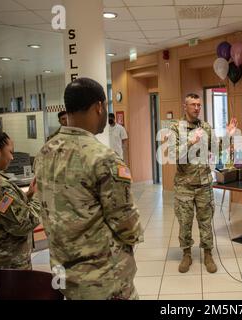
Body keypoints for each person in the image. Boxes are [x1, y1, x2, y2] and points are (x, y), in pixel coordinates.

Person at [34, 78, 143, 300]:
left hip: (63, 272)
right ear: (99, 107)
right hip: (103, 280)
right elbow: (126, 224)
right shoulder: (102, 157)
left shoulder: (45, 152)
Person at [169, 93, 237, 274]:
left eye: (199, 105)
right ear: (185, 106)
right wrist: (191, 141)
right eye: (193, 105)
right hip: (184, 184)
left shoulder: (206, 127)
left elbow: (216, 150)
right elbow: (173, 154)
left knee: (206, 221)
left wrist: (228, 135)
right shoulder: (176, 128)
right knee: (184, 222)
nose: (197, 108)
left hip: (204, 183)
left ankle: (208, 254)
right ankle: (186, 254)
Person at [0, 131, 40, 300]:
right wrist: (38, 197)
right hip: (9, 270)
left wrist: (27, 196)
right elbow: (23, 224)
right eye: (10, 152)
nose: (11, 158)